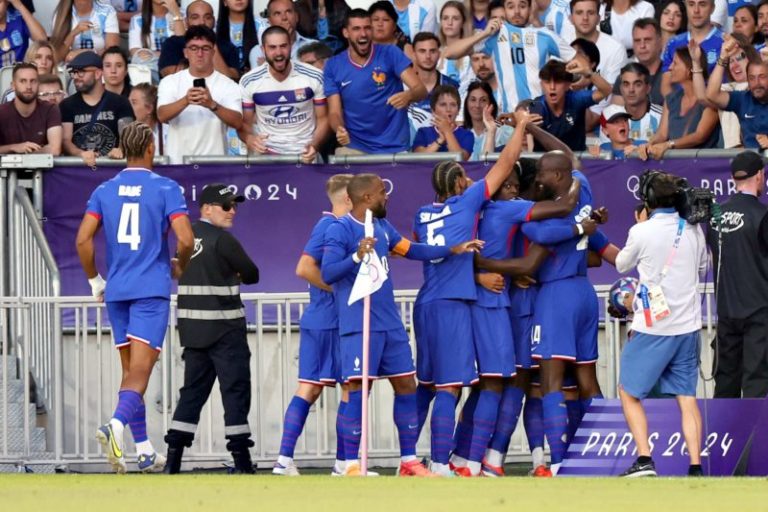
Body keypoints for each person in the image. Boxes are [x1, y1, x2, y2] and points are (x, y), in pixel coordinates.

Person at [321, 173, 481, 477]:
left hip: (389, 322)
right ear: (366, 197)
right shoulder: (339, 229)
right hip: (359, 322)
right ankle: (348, 464)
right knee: (357, 387)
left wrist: (451, 249)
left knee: (407, 383)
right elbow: (328, 272)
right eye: (382, 192)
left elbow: (411, 249)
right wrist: (356, 256)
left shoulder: (381, 226)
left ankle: (409, 459)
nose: (387, 196)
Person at [75, 121, 195, 474]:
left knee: (130, 372)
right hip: (150, 290)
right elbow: (186, 240)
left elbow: (83, 240)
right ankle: (114, 426)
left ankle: (142, 449)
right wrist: (179, 264)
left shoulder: (104, 190)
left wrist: (95, 280)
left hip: (117, 290)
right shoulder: (166, 187)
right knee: (142, 371)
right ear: (150, 148)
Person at [614, 170, 707, 477]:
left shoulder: (642, 231)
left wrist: (638, 228)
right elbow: (703, 265)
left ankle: (644, 459)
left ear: (649, 201)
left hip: (653, 327)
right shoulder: (693, 229)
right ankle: (695, 466)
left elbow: (620, 264)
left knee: (628, 391)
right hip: (688, 326)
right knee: (687, 398)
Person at [164, 183, 259, 475]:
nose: (233, 211)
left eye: (235, 205)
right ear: (206, 208)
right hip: (226, 330)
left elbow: (177, 269)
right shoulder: (223, 240)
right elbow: (253, 274)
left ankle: (173, 461)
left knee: (191, 393)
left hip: (193, 332)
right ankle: (241, 461)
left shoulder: (185, 238)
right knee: (235, 392)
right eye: (226, 206)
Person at [518, 151, 604, 476]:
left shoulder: (544, 218)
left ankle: (557, 463)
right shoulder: (582, 186)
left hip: (555, 296)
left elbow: (539, 236)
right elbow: (569, 158)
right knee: (587, 379)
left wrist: (574, 228)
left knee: (549, 382)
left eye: (542, 172)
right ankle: (595, 459)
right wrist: (583, 226)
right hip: (585, 292)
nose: (538, 178)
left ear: (555, 176)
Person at [272, 174, 353, 477]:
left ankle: (334, 463)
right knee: (340, 388)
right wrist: (339, 291)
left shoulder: (338, 226)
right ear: (347, 198)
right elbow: (304, 268)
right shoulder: (330, 225)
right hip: (328, 320)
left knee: (327, 388)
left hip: (327, 320)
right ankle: (335, 464)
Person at [706, 152, 768, 399]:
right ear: (760, 176)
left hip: (726, 311)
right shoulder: (762, 215)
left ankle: (724, 436)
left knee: (726, 382)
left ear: (734, 180)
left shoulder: (715, 216)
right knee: (757, 381)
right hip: (759, 312)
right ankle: (757, 438)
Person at [324, 8, 426, 155]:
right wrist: (339, 129)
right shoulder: (333, 65)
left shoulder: (390, 53)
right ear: (346, 33)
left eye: (367, 28)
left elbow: (420, 90)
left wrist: (408, 95)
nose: (363, 34)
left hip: (395, 146)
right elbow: (334, 112)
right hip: (356, 147)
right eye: (356, 29)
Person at [443, 0, 576, 112]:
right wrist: (484, 34)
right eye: (511, 6)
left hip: (541, 116)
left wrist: (570, 86)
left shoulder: (545, 35)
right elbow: (449, 53)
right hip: (509, 118)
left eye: (522, 5)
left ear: (530, 8)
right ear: (505, 10)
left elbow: (579, 62)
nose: (517, 11)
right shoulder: (495, 37)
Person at [239, 26, 328, 163]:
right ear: (263, 50)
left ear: (291, 47)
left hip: (305, 154)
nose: (278, 52)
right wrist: (249, 138)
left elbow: (323, 118)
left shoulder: (314, 76)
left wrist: (314, 145)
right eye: (272, 47)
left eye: (283, 46)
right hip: (267, 155)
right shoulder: (249, 81)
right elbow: (245, 124)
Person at [157, 25, 243, 164]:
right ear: (186, 52)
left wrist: (212, 105)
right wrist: (185, 100)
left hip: (215, 164)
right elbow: (161, 115)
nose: (200, 53)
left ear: (213, 52)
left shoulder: (228, 84)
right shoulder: (170, 82)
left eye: (205, 48)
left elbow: (237, 121)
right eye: (194, 48)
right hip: (178, 163)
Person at [638, 46, 720, 160]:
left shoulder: (710, 98)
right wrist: (649, 144)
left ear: (689, 68)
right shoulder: (671, 99)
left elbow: (700, 136)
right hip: (676, 165)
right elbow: (662, 134)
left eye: (675, 63)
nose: (670, 67)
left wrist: (668, 145)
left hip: (703, 168)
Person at [60, 51, 136, 167]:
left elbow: (128, 136)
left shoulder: (120, 102)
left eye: (81, 72)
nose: (75, 77)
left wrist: (121, 149)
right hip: (78, 172)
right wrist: (81, 153)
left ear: (97, 74)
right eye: (73, 73)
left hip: (112, 170)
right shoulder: (67, 105)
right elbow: (66, 141)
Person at [529, 58, 613, 151]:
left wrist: (588, 72)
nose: (552, 87)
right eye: (547, 82)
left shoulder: (576, 99)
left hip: (575, 162)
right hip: (545, 162)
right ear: (541, 85)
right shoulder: (537, 106)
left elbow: (607, 90)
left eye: (558, 82)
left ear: (568, 85)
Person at [693, 33, 759, 149]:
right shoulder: (726, 90)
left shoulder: (763, 86)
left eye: (740, 58)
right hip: (735, 157)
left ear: (751, 58)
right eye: (731, 61)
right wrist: (696, 62)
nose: (735, 65)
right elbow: (703, 97)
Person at [158, 0, 240, 80]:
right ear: (186, 22)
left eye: (207, 17)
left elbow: (232, 79)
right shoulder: (172, 43)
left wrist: (210, 43)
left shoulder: (227, 46)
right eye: (195, 17)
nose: (202, 22)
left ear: (214, 21)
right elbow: (170, 76)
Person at [660, 0, 723, 95]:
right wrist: (675, 107)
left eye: (702, 4)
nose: (696, 10)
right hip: (678, 107)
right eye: (691, 4)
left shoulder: (725, 42)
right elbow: (666, 86)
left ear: (712, 8)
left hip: (713, 107)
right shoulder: (673, 42)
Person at [0, 63, 62, 155]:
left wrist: (28, 153)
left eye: (33, 81)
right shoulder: (2, 112)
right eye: (23, 81)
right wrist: (14, 147)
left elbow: (55, 149)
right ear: (13, 85)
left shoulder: (50, 109)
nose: (28, 86)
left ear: (38, 84)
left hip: (43, 168)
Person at [407, 32, 458, 134]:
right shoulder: (402, 86)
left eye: (432, 51)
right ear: (413, 54)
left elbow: (459, 124)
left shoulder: (453, 86)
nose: (428, 56)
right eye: (422, 51)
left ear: (439, 53)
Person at [569, 0, 627, 84]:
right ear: (571, 19)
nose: (585, 18)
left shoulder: (616, 49)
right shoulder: (561, 45)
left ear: (598, 18)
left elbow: (614, 92)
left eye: (591, 13)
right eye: (579, 13)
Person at [611, 18, 664, 106]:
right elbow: (615, 115)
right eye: (637, 41)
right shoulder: (623, 78)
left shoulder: (672, 76)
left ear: (660, 42)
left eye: (647, 40)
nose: (642, 46)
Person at [249, 0, 317, 69]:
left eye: (288, 12)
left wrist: (267, 66)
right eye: (277, 14)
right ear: (269, 21)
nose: (284, 18)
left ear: (297, 17)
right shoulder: (258, 51)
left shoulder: (314, 46)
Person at [605, 62, 662, 145]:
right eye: (626, 84)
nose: (631, 90)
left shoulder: (662, 117)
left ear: (648, 88)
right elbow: (606, 152)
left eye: (637, 84)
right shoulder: (609, 118)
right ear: (620, 89)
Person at [412, 85, 473, 160]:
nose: (448, 109)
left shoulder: (467, 135)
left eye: (453, 105)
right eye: (443, 104)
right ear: (433, 110)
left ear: (458, 111)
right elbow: (418, 158)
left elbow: (460, 159)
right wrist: (440, 140)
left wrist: (447, 132)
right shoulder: (423, 132)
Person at [128, 0, 186, 77]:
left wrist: (176, 13)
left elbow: (182, 45)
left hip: (176, 66)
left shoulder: (184, 16)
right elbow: (135, 51)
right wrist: (165, 55)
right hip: (149, 66)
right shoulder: (137, 19)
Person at [50, 0, 120, 61]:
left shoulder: (108, 11)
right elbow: (57, 57)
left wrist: (85, 54)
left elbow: (112, 52)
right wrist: (73, 34)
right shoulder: (60, 15)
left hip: (99, 68)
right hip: (71, 70)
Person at [462, 80, 513, 160]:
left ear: (491, 104)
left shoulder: (505, 131)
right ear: (466, 103)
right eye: (473, 100)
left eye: (483, 100)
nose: (477, 105)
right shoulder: (461, 132)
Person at [436, 1, 473, 91]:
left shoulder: (472, 51)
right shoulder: (434, 53)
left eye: (455, 18)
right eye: (445, 18)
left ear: (463, 23)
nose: (450, 23)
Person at [0, 0, 46, 67]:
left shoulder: (18, 17)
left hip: (22, 73)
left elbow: (42, 40)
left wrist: (20, 6)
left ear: (7, 2)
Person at [129, 82, 165, 155]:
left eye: (133, 102)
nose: (128, 107)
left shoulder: (169, 133)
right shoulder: (127, 133)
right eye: (128, 102)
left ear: (149, 108)